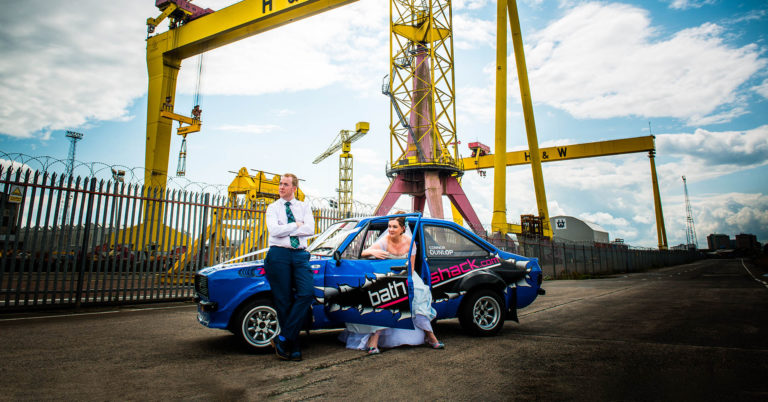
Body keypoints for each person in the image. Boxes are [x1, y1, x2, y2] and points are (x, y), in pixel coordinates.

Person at [341, 213, 444, 355]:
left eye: (394, 227)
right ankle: (374, 338)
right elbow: (364, 252)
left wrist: (403, 280)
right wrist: (374, 252)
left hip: (407, 275)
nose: (390, 229)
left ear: (402, 228)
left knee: (419, 296)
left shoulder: (410, 242)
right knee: (387, 297)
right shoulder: (385, 240)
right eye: (389, 226)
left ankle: (430, 336)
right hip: (389, 275)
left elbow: (412, 268)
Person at [264, 173, 315, 361]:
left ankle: (283, 337)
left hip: (300, 255)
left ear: (294, 188)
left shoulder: (304, 206)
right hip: (279, 255)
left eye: (285, 184)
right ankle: (293, 346)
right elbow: (274, 231)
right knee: (283, 301)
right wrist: (296, 224)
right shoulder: (273, 207)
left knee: (307, 293)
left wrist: (287, 228)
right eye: (280, 184)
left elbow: (310, 229)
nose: (281, 187)